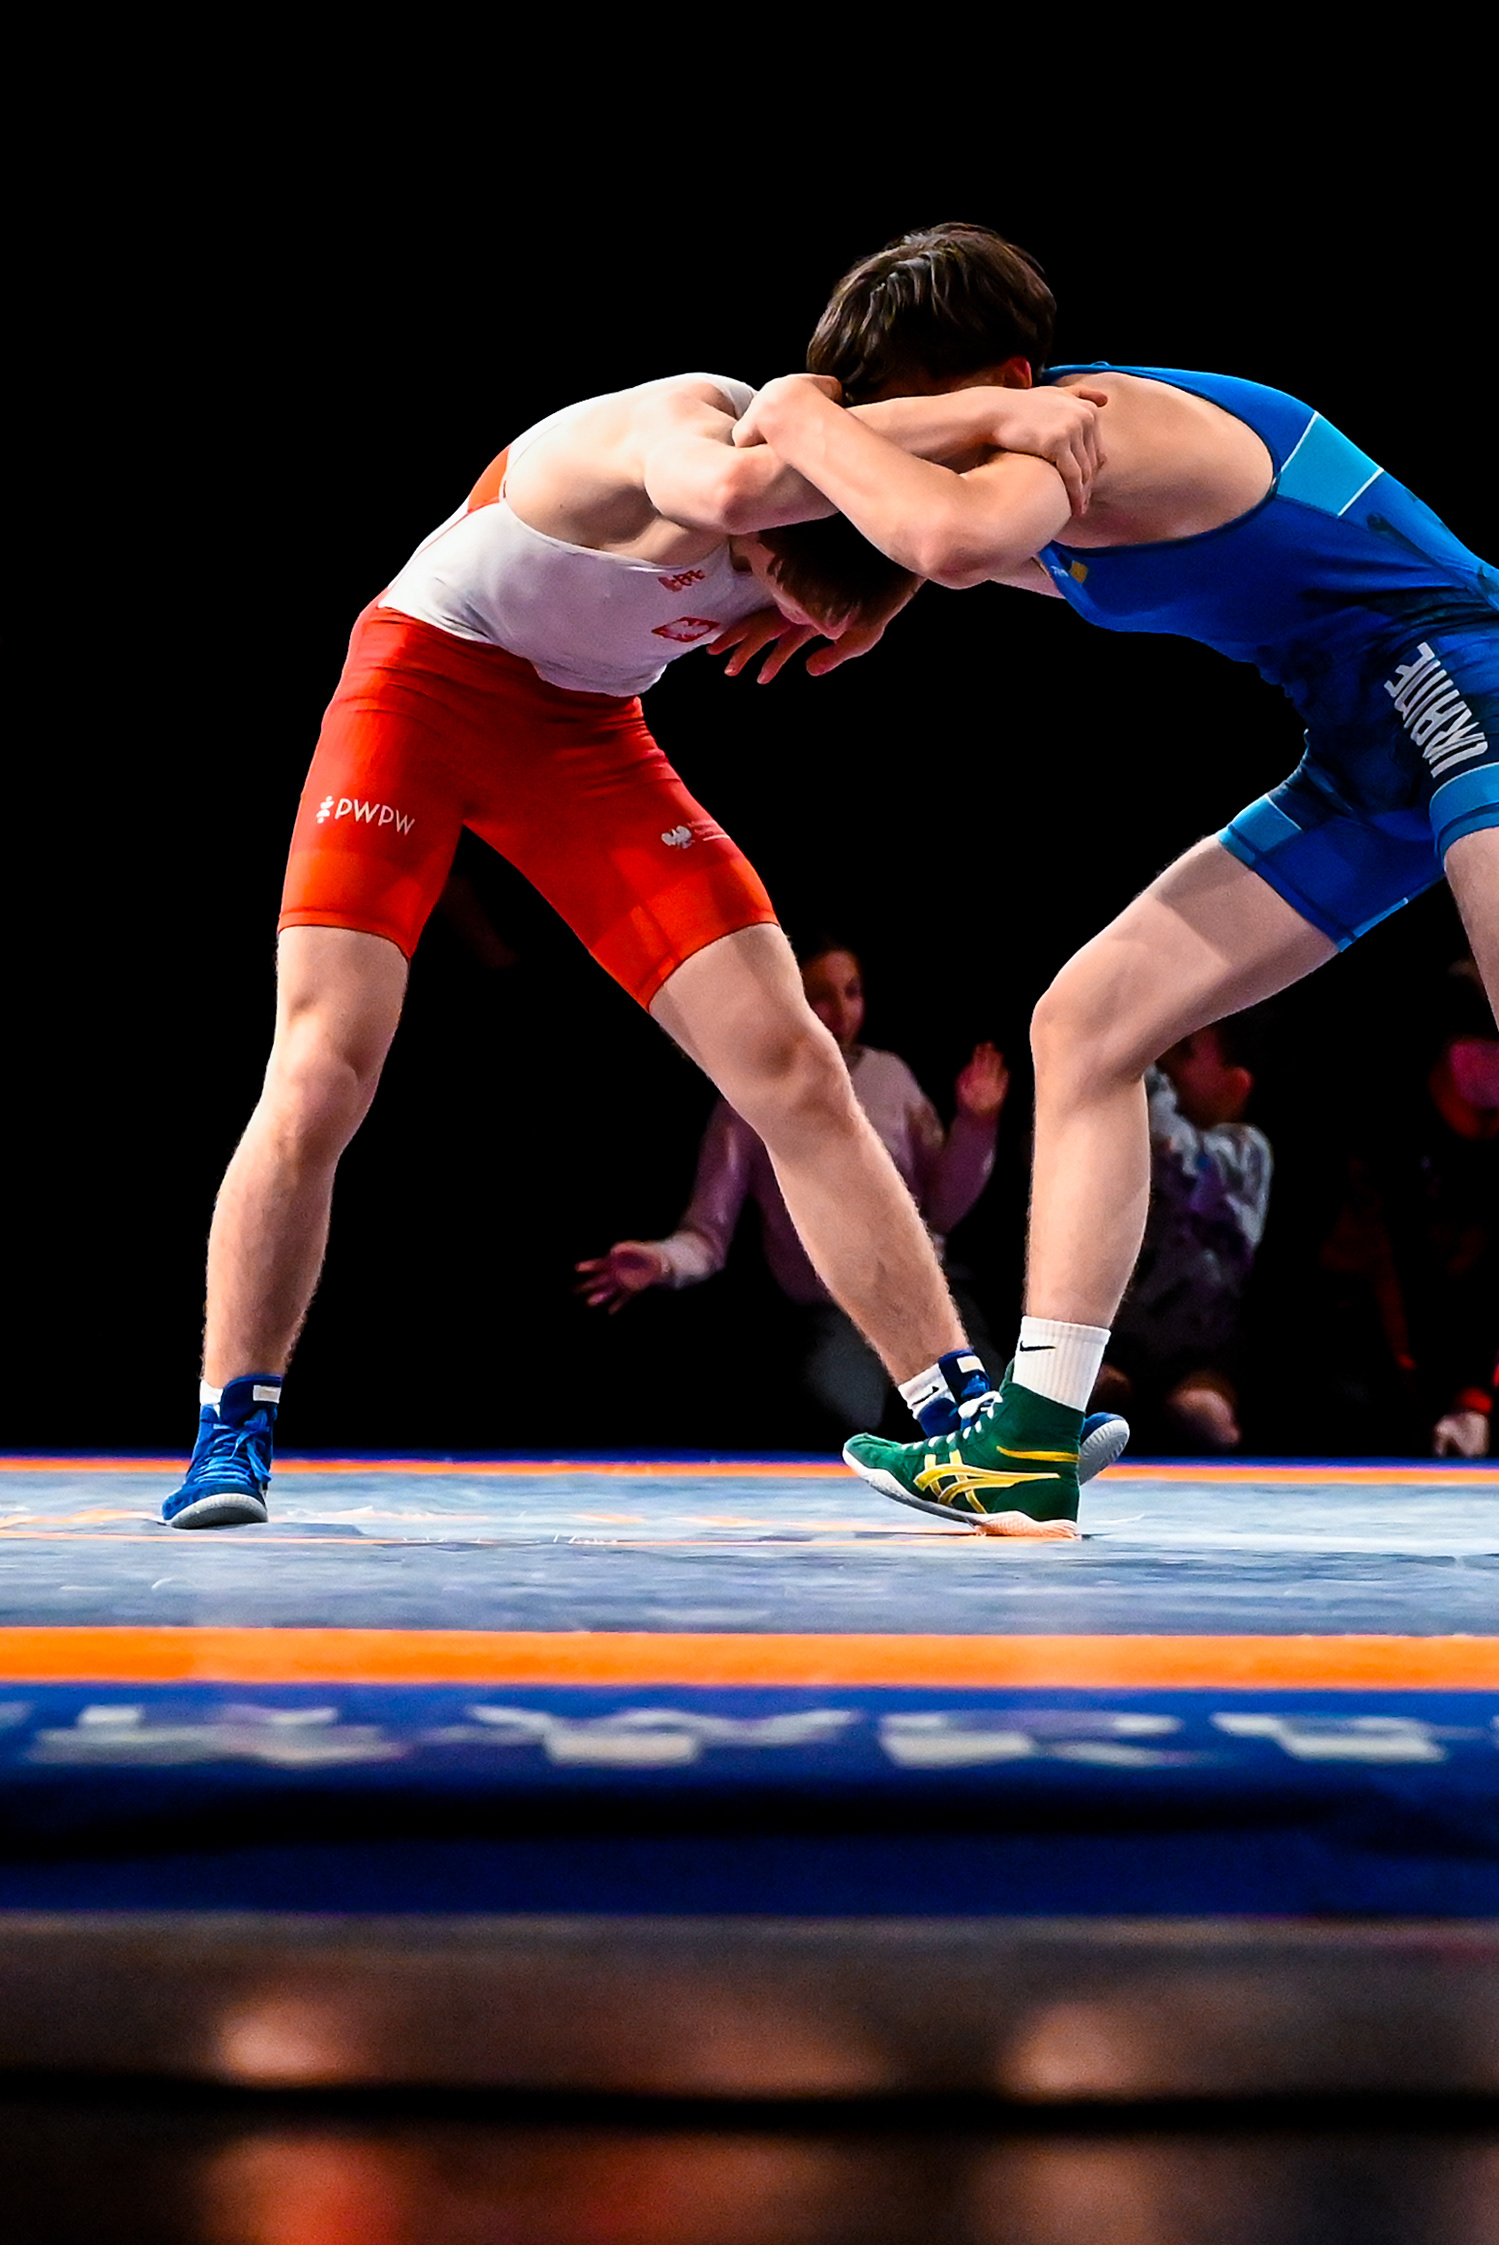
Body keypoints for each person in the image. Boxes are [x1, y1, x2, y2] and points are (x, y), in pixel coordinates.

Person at [718, 225, 1499, 1556]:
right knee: (1088, 1020)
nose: (887, 443)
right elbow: (934, 543)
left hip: (1474, 678)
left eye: (905, 410)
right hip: (1364, 744)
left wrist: (793, 410)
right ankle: (1031, 1441)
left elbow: (949, 538)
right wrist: (860, 599)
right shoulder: (1029, 456)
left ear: (1008, 376)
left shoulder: (1090, 428)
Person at [159, 365, 1115, 1528]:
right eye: (794, 588)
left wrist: (900, 592)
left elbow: (1012, 554)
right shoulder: (684, 434)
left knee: (796, 1062)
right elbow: (734, 481)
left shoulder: (853, 495)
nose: (808, 622)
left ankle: (960, 1421)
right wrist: (1004, 416)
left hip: (583, 735)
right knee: (320, 1071)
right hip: (417, 693)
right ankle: (230, 1427)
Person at [576, 939, 1010, 1436]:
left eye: (853, 992)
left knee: (986, 1417)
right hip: (838, 1308)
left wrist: (976, 1127)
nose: (842, 1011)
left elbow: (941, 1208)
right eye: (821, 996)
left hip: (927, 1295)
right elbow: (707, 1234)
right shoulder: (748, 1098)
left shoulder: (890, 1077)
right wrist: (662, 1260)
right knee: (839, 1411)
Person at [1311, 981, 1499, 1459]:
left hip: (1481, 1314)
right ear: (1467, 1058)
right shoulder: (1387, 1125)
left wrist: (1475, 1400)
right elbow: (1391, 1268)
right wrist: (1421, 1402)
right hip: (1379, 1312)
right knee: (1348, 1404)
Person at [1093, 1025, 1272, 1450]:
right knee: (1097, 1399)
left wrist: (1144, 1064)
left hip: (1204, 1351)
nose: (1168, 1063)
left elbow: (1177, 1155)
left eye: (1183, 1051)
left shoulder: (1247, 1151)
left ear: (1234, 1085)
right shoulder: (1133, 1143)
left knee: (1199, 1415)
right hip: (1124, 1343)